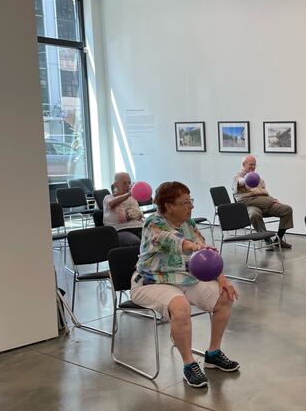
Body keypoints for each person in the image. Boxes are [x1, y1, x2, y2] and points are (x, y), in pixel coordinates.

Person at [131, 181, 240, 388]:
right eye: (186, 202)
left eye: (191, 201)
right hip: (151, 281)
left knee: (225, 296)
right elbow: (171, 240)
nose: (191, 206)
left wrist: (222, 278)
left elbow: (206, 253)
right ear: (169, 206)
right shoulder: (153, 222)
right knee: (180, 306)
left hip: (184, 278)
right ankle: (189, 364)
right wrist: (193, 246)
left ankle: (213, 353)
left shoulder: (188, 224)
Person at [232, 155, 294, 249]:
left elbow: (264, 192)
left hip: (265, 203)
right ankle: (267, 240)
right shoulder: (237, 177)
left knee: (287, 209)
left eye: (254, 165)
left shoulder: (258, 178)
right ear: (244, 164)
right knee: (254, 214)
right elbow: (240, 182)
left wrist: (272, 199)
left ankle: (278, 240)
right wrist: (246, 180)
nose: (253, 167)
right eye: (250, 165)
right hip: (249, 204)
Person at [103, 172, 143, 245]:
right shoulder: (108, 197)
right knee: (135, 242)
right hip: (120, 229)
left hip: (138, 226)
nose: (128, 185)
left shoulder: (133, 198)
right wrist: (128, 194)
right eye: (124, 183)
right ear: (116, 185)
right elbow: (111, 204)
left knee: (153, 239)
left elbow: (139, 215)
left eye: (129, 183)